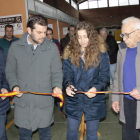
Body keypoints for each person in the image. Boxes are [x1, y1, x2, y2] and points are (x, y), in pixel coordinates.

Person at [5, 15, 63, 140]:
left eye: (45, 32)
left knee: (45, 136)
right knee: (25, 136)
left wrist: (56, 86)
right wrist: (14, 85)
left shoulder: (51, 48)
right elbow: (10, 71)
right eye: (39, 32)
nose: (43, 35)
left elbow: (56, 71)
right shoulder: (15, 47)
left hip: (44, 102)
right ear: (29, 30)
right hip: (24, 102)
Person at [63, 22, 110, 140]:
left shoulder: (101, 53)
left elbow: (105, 76)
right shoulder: (70, 53)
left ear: (91, 36)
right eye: (79, 37)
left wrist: (96, 88)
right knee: (72, 131)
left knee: (92, 133)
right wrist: (68, 85)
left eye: (85, 36)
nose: (82, 40)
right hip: (75, 99)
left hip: (94, 100)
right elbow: (67, 74)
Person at [112, 16, 140, 140]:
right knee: (129, 136)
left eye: (127, 34)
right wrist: (115, 98)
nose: (124, 38)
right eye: (123, 35)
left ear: (139, 32)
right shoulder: (122, 49)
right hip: (127, 102)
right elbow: (117, 75)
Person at [0, 47, 10, 140]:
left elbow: (5, 73)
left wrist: (4, 87)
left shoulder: (1, 52)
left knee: (1, 135)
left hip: (0, 105)